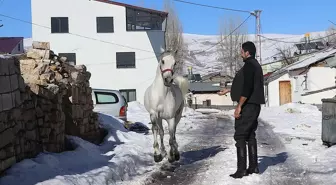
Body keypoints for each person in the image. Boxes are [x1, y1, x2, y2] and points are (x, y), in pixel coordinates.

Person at [218, 41, 265, 179]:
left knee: (240, 135)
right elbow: (244, 85)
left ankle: (241, 170)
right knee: (250, 134)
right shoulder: (253, 65)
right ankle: (253, 166)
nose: (241, 53)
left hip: (248, 105)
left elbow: (248, 87)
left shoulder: (250, 66)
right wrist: (228, 90)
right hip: (253, 105)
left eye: (242, 51)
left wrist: (239, 106)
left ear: (247, 52)